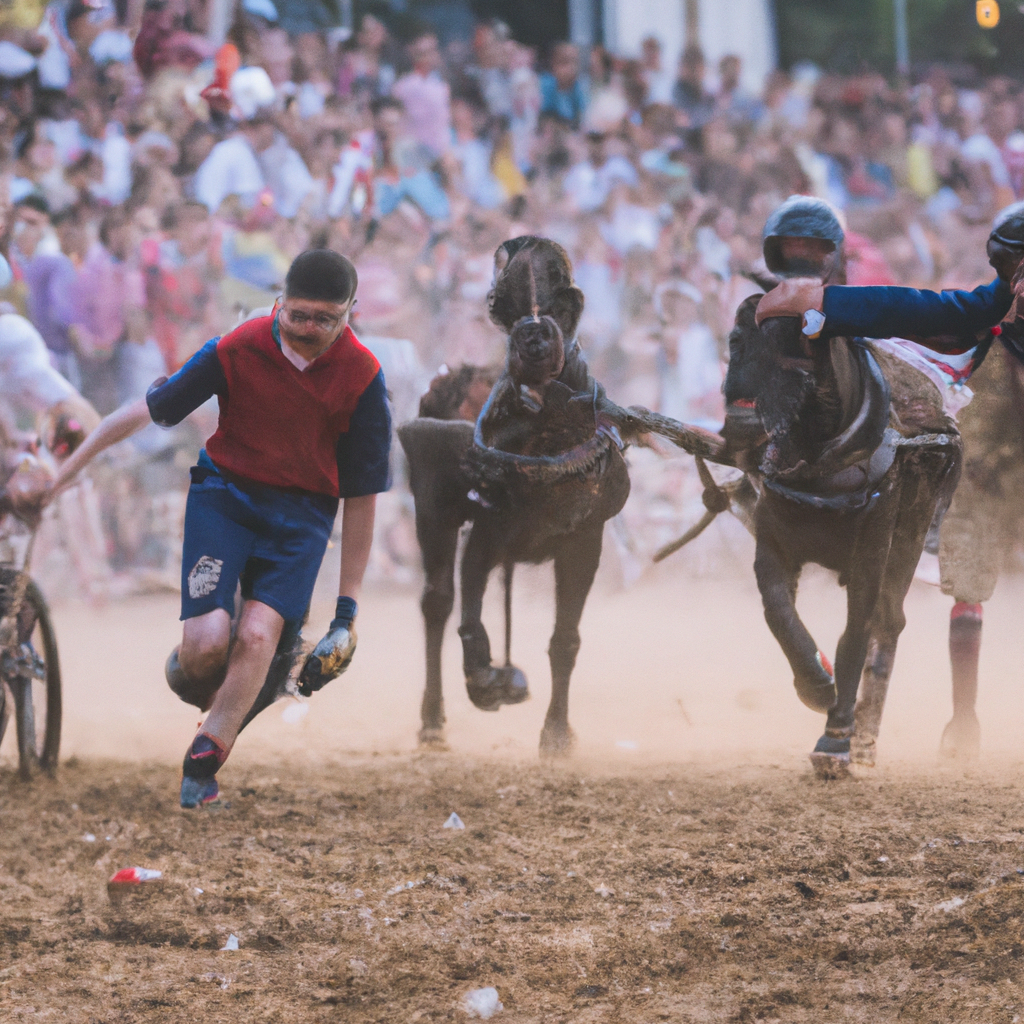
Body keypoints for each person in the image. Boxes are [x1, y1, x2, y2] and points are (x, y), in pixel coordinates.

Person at [50, 249, 392, 808]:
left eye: (324, 319)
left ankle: (201, 769)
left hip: (302, 519)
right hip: (225, 498)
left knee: (258, 635)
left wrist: (346, 616)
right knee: (205, 652)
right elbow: (146, 411)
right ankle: (217, 670)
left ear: (349, 314)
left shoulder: (363, 377)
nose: (308, 329)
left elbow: (361, 499)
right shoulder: (237, 347)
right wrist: (66, 474)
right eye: (298, 315)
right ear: (279, 302)